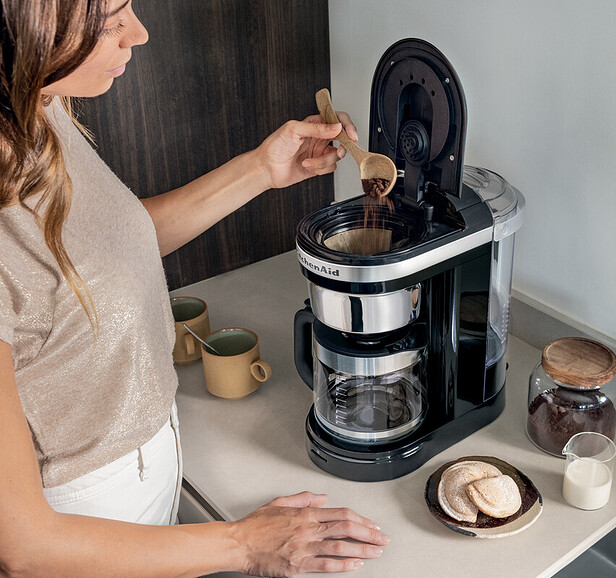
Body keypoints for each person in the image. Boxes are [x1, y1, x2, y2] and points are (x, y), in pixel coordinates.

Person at [0, 0, 390, 576]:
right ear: (27, 30)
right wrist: (243, 545)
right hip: (82, 525)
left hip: (153, 468)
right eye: (111, 20)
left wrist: (261, 168)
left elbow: (99, 255)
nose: (140, 33)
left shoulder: (37, 107)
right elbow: (26, 547)